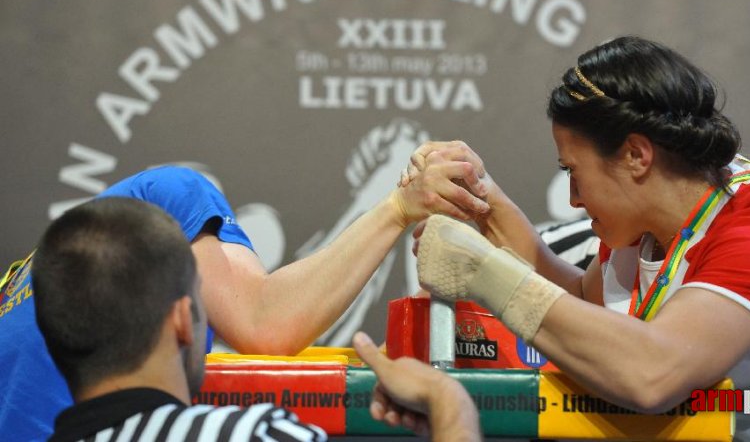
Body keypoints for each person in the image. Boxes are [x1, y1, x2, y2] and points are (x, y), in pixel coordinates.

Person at [405, 36, 750, 440]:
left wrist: (484, 270)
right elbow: (583, 307)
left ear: (636, 155)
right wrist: (481, 199)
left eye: (574, 171)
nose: (574, 198)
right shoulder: (654, 210)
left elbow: (650, 375)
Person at [0, 164, 488, 441]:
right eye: (199, 301)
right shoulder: (171, 192)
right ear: (182, 319)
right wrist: (448, 401)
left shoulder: (18, 287)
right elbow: (265, 323)